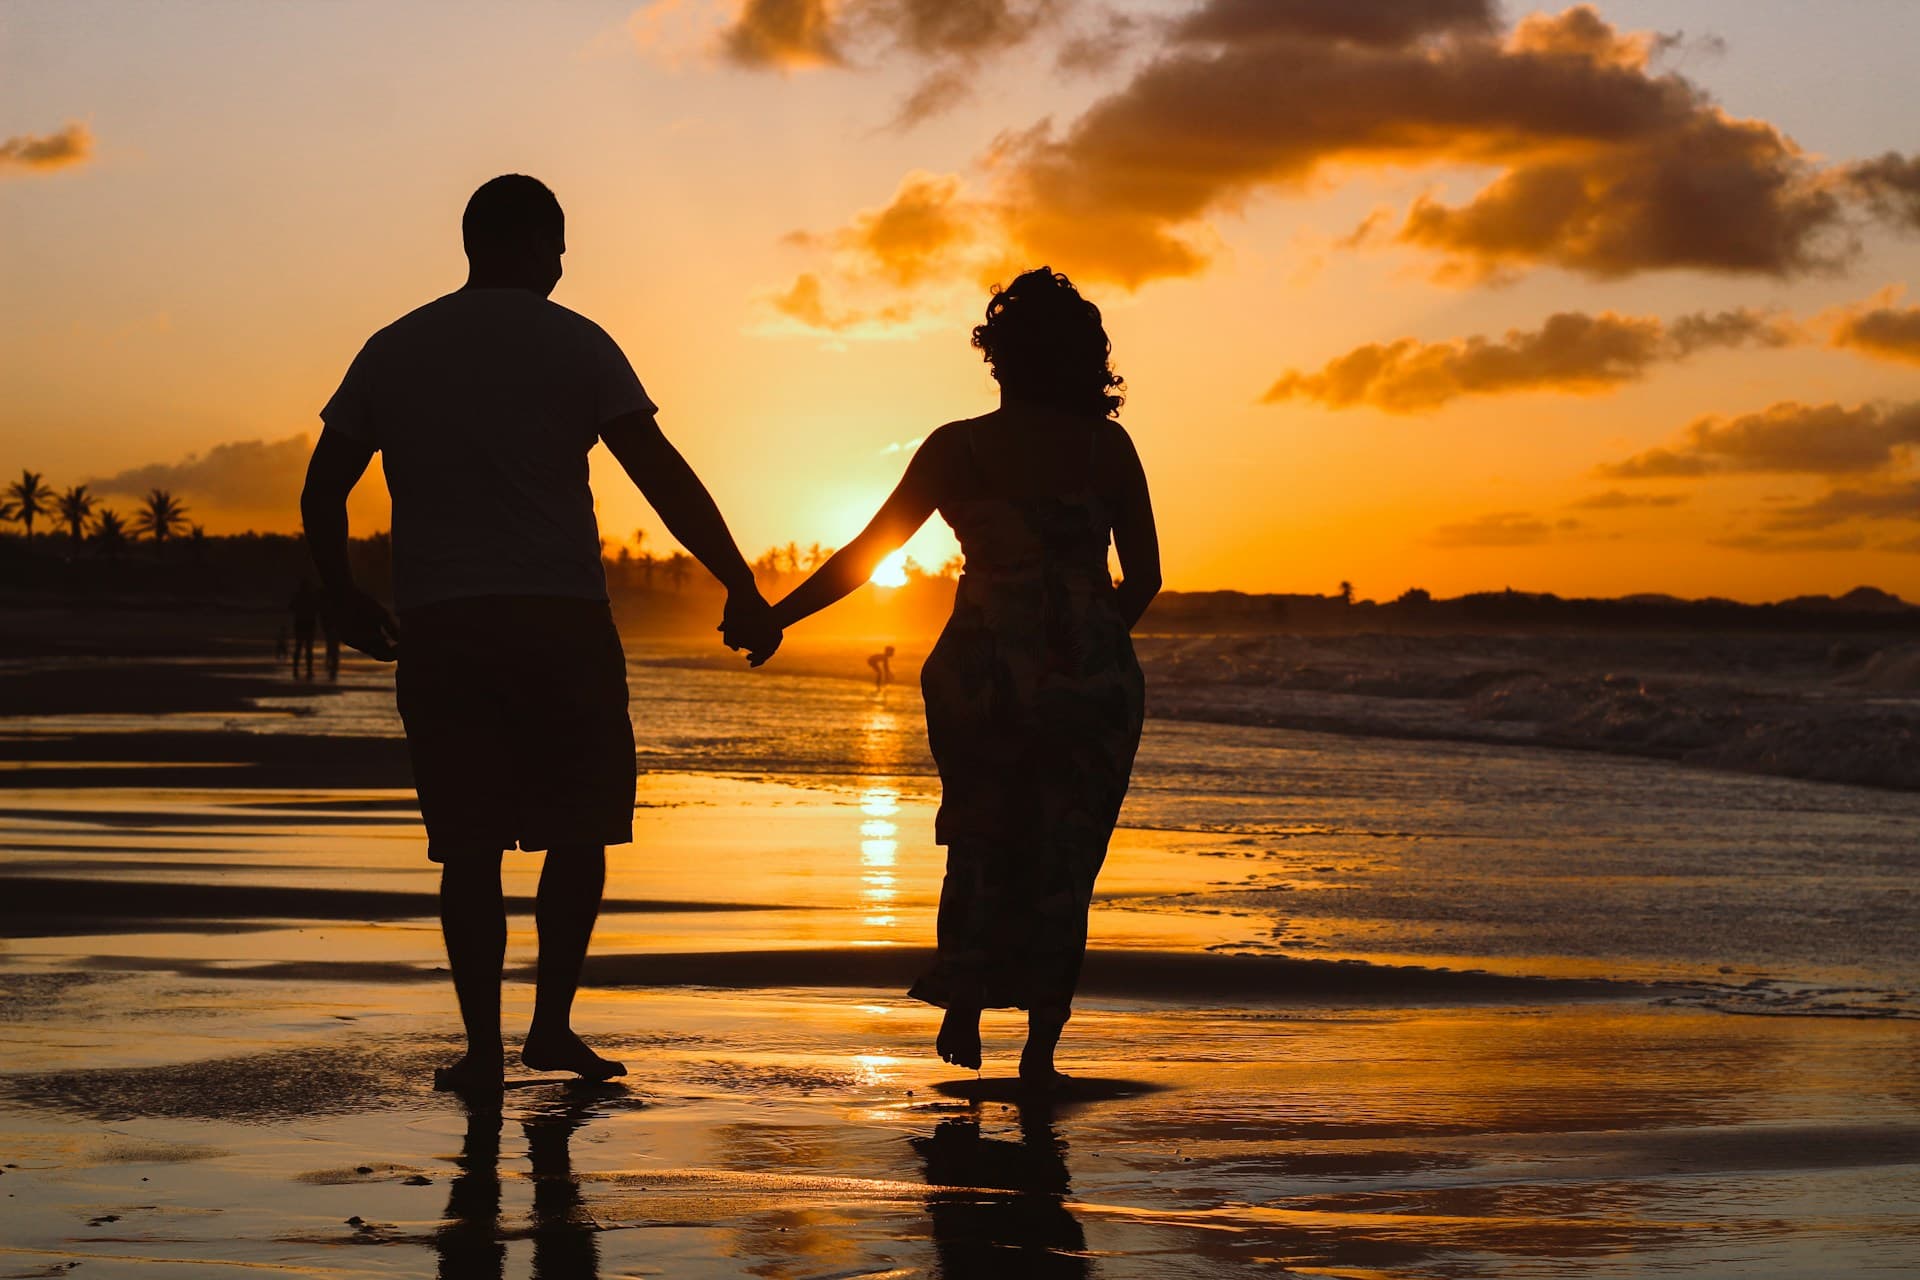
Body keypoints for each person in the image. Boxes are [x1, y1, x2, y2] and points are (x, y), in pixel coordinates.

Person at [302, 174, 778, 1095]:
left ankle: (486, 1051)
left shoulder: (394, 348)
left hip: (445, 625)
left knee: (469, 844)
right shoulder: (579, 344)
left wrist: (342, 594)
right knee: (580, 828)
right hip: (560, 621)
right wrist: (740, 582)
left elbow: (324, 486)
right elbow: (661, 476)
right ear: (524, 242)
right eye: (556, 244)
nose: (563, 264)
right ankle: (551, 1027)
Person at [751, 268, 1159, 1088]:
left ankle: (965, 1003)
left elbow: (866, 556)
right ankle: (1041, 1052)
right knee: (1065, 859)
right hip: (1090, 676)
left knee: (978, 835)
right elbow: (1144, 575)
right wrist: (1083, 645)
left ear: (998, 357)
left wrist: (777, 617)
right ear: (1085, 360)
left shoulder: (957, 447)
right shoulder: (1105, 448)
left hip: (981, 673)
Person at [289, 579, 319, 680]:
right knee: (308, 649)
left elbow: (291, 607)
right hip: (308, 624)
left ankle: (296, 668)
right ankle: (308, 670)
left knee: (299, 647)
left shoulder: (298, 596)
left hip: (300, 623)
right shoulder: (312, 596)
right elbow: (317, 609)